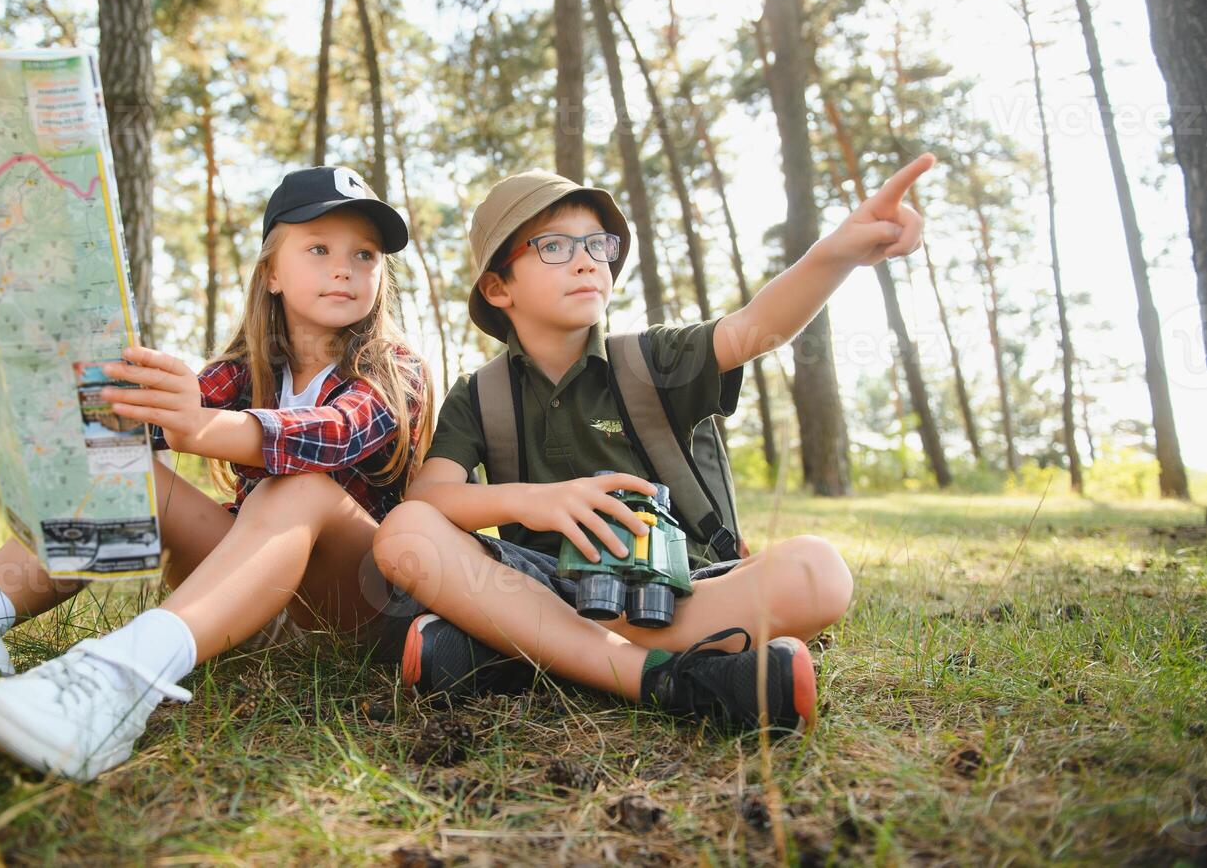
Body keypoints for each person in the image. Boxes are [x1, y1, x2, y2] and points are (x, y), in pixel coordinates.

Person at [0, 166, 434, 781]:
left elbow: (332, 439)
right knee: (122, 464)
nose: (343, 268)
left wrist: (201, 428)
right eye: (318, 248)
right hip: (253, 601)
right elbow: (101, 421)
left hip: (357, 611)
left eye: (363, 255)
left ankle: (125, 676)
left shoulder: (392, 369)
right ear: (272, 272)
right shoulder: (245, 371)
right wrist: (9, 335)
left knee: (300, 485)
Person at [374, 156, 934, 734]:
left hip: (676, 591)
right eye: (555, 247)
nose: (588, 260)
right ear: (497, 287)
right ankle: (675, 681)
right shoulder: (480, 394)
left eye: (598, 244)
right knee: (404, 532)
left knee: (819, 571)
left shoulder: (651, 359)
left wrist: (836, 251)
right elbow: (431, 495)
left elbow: (756, 325)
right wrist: (531, 502)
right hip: (544, 585)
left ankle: (517, 655)